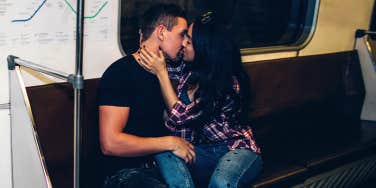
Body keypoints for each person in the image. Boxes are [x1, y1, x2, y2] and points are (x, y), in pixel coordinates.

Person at [138, 12, 263, 188]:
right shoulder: (188, 70)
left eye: (188, 41)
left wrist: (161, 73)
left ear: (205, 50)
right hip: (203, 151)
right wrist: (148, 46)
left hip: (237, 149)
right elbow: (158, 63)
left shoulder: (226, 83)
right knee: (163, 151)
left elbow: (180, 116)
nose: (182, 43)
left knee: (221, 183)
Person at [97, 3, 196, 187]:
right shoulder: (120, 73)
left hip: (160, 163)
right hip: (125, 172)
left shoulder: (165, 73)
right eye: (181, 34)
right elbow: (110, 143)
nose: (184, 42)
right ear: (161, 32)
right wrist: (170, 142)